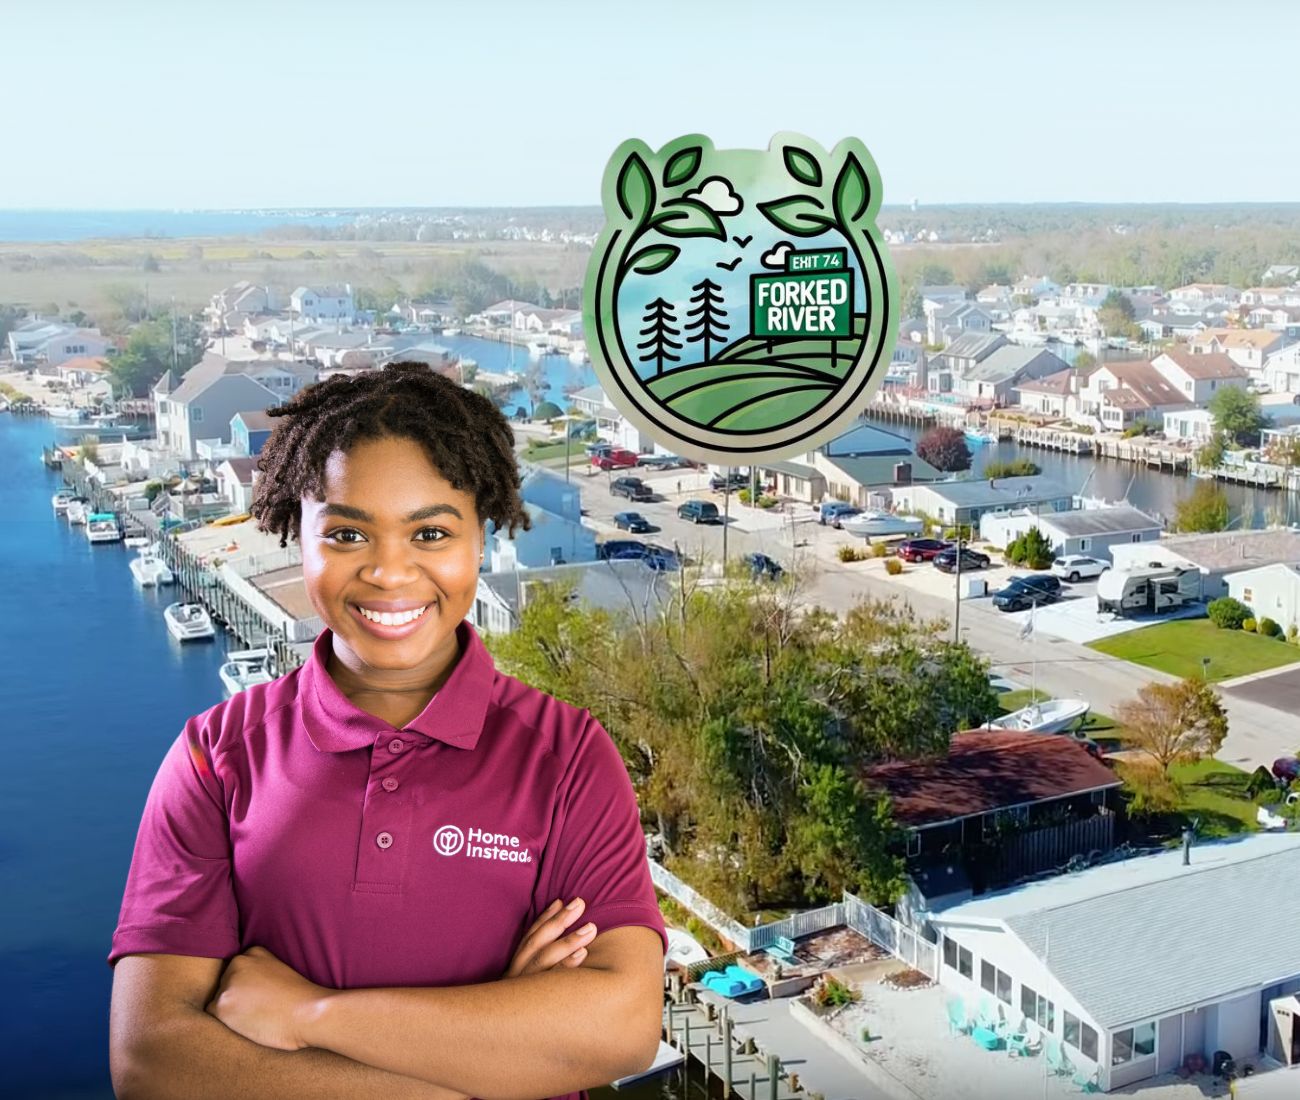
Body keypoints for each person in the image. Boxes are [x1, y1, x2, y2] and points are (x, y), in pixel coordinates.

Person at [109, 362, 667, 1100]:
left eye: (431, 532)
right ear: (294, 533)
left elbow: (621, 1029)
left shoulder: (564, 756)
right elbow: (153, 1064)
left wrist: (309, 1014)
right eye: (346, 534)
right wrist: (498, 1054)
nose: (390, 573)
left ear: (482, 533)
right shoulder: (218, 757)